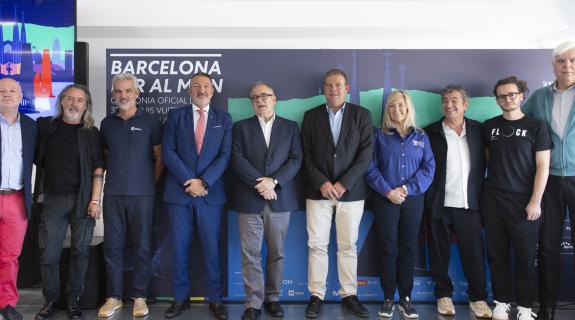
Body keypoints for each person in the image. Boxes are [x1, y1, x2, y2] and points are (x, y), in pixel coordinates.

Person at [300, 68, 373, 319]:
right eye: (329, 85)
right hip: (317, 191)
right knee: (317, 245)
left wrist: (344, 183)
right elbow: (305, 154)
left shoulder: (362, 115)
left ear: (347, 88)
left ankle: (349, 295)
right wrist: (322, 182)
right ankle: (316, 295)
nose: (333, 89)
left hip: (350, 193)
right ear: (323, 88)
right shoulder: (310, 117)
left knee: (347, 246)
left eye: (338, 85)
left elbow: (365, 155)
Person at [163, 72, 232, 320]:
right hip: (180, 193)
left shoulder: (224, 118)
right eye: (196, 86)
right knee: (179, 249)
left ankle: (216, 300)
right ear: (189, 91)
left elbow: (225, 155)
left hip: (209, 195)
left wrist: (203, 182)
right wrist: (188, 181)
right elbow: (169, 152)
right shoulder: (175, 116)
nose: (201, 90)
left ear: (213, 91)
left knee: (212, 249)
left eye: (206, 86)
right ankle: (180, 300)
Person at [231, 82, 302, 320]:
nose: (260, 100)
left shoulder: (290, 127)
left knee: (277, 252)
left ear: (274, 98)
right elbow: (237, 159)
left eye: (264, 96)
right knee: (250, 253)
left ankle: (273, 298)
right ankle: (253, 303)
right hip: (249, 199)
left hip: (279, 199)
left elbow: (295, 159)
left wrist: (274, 182)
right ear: (251, 103)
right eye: (255, 98)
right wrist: (260, 184)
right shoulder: (240, 128)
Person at [33, 84, 104, 320]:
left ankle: (73, 301)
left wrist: (95, 200)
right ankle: (50, 301)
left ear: (86, 106)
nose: (74, 103)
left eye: (80, 100)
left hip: (83, 200)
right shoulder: (45, 127)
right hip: (52, 200)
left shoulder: (91, 133)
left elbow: (98, 168)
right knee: (49, 255)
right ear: (62, 101)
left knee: (81, 252)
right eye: (70, 99)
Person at [482, 76, 551, 320]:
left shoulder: (537, 126)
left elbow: (543, 166)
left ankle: (524, 307)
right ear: (497, 100)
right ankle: (500, 303)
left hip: (524, 203)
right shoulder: (489, 126)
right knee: (497, 255)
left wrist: (535, 200)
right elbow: (488, 162)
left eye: (512, 94)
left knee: (525, 257)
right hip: (493, 201)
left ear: (522, 95)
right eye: (502, 96)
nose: (507, 99)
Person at [97, 73, 163, 318]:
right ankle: (113, 297)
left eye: (127, 91)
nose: (123, 95)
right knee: (113, 247)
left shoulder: (151, 122)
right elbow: (106, 156)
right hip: (113, 194)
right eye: (118, 91)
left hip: (143, 195)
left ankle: (140, 296)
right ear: (113, 94)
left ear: (136, 93)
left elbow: (160, 157)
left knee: (142, 248)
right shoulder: (106, 123)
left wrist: (147, 184)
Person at [365, 90, 435, 319]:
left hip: (412, 200)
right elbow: (370, 167)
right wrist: (388, 191)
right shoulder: (378, 136)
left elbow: (429, 168)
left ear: (408, 108)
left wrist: (406, 189)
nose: (397, 110)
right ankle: (388, 297)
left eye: (401, 105)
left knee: (408, 248)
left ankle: (405, 297)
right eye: (392, 106)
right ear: (387, 110)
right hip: (385, 199)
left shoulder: (421, 137)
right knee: (387, 247)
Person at [423, 85, 491, 318]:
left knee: (473, 253)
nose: (449, 104)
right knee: (439, 253)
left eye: (454, 100)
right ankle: (443, 296)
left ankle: (478, 298)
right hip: (439, 203)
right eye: (445, 100)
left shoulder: (479, 131)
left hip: (469, 203)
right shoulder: (430, 132)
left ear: (465, 104)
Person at [522, 41, 575, 320]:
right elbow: (521, 123)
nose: (568, 66)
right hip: (550, 181)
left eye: (573, 60)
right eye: (562, 61)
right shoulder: (539, 97)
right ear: (553, 65)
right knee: (549, 247)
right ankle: (547, 307)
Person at [0, 78, 38, 320]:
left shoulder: (31, 126)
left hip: (16, 198)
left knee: (9, 257)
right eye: (2, 91)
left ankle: (6, 303)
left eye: (12, 90)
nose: (7, 94)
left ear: (20, 94)